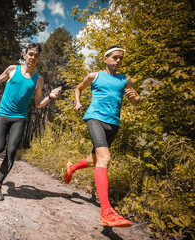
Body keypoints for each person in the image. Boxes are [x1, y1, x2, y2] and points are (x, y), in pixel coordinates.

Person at [64, 45, 140, 227]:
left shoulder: (125, 79)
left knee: (93, 160)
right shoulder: (94, 76)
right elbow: (78, 88)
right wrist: (77, 103)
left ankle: (71, 168)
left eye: (121, 58)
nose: (118, 61)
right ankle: (106, 211)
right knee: (104, 158)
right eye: (115, 57)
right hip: (95, 118)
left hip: (114, 124)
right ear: (105, 59)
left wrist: (134, 97)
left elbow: (135, 102)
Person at [0, 42, 62, 201]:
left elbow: (38, 103)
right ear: (25, 55)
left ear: (38, 59)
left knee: (11, 152)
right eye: (30, 54)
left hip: (19, 117)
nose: (32, 57)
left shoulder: (39, 80)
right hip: (3, 113)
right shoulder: (12, 69)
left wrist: (50, 97)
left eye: (36, 55)